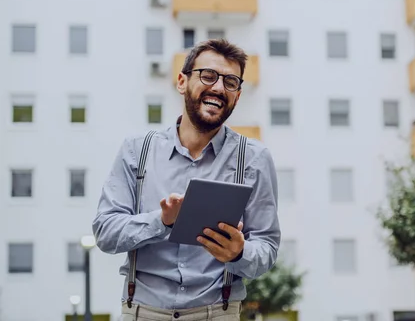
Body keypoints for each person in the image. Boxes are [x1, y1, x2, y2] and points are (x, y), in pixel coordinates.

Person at [92, 39, 281, 321]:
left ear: (238, 96)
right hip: (143, 313)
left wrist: (239, 253)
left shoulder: (254, 159)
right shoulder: (136, 150)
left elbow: (266, 249)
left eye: (230, 82)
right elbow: (105, 232)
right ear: (182, 81)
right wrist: (162, 221)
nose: (218, 87)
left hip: (217, 313)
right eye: (208, 76)